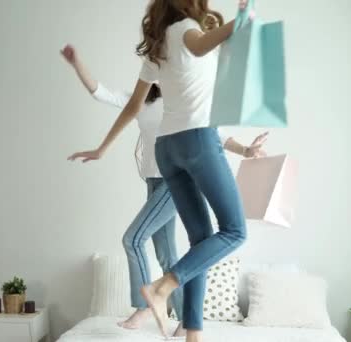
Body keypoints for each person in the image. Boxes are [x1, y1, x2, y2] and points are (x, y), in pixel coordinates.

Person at [63, 29, 265, 339]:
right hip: (154, 181)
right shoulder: (145, 101)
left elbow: (217, 135)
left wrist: (246, 151)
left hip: (175, 180)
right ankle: (186, 319)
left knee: (132, 239)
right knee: (167, 255)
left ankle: (145, 304)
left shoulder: (185, 99)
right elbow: (100, 92)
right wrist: (77, 64)